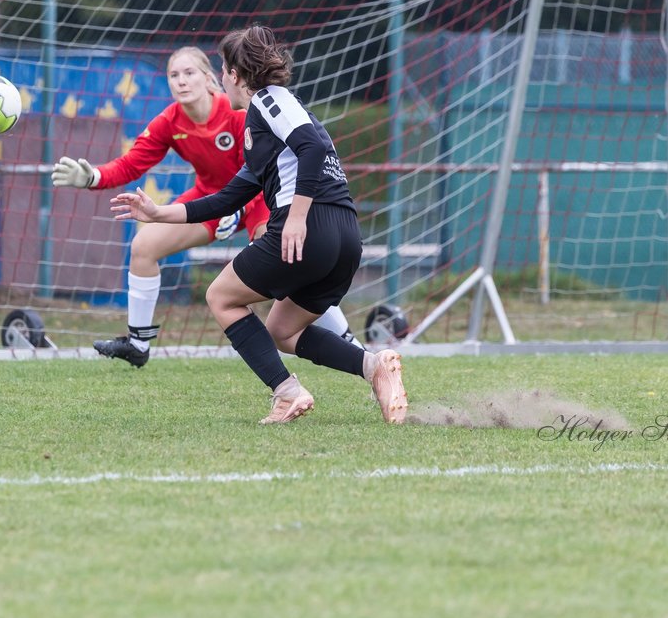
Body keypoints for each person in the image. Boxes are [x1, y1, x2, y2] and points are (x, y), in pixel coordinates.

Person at [110, 25, 408, 425]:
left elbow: (313, 147)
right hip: (344, 234)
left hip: (310, 226)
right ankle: (374, 368)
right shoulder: (264, 124)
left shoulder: (269, 101)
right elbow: (228, 198)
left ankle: (287, 393)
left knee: (221, 297)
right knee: (283, 329)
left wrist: (298, 217)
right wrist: (158, 213)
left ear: (234, 74)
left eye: (221, 68)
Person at [52, 45, 362, 367]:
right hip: (211, 201)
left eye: (189, 73)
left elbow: (261, 176)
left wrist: (240, 212)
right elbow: (132, 164)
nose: (181, 81)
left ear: (209, 78)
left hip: (259, 200)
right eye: (174, 75)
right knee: (143, 245)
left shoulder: (241, 113)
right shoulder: (169, 121)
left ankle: (349, 343)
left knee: (288, 264)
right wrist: (93, 176)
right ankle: (138, 344)